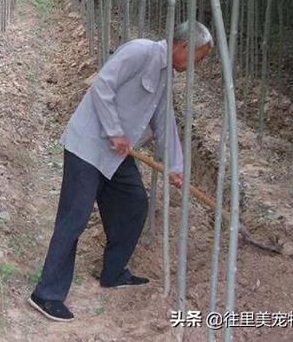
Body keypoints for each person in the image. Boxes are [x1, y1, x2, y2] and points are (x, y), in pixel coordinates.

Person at [28, 21, 213, 322]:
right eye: (198, 58)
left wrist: (175, 167)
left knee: (135, 205)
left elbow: (164, 122)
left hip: (116, 154)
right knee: (74, 218)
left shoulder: (166, 76)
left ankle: (113, 273)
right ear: (183, 47)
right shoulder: (140, 52)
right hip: (89, 145)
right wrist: (114, 131)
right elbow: (102, 85)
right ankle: (46, 293)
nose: (196, 65)